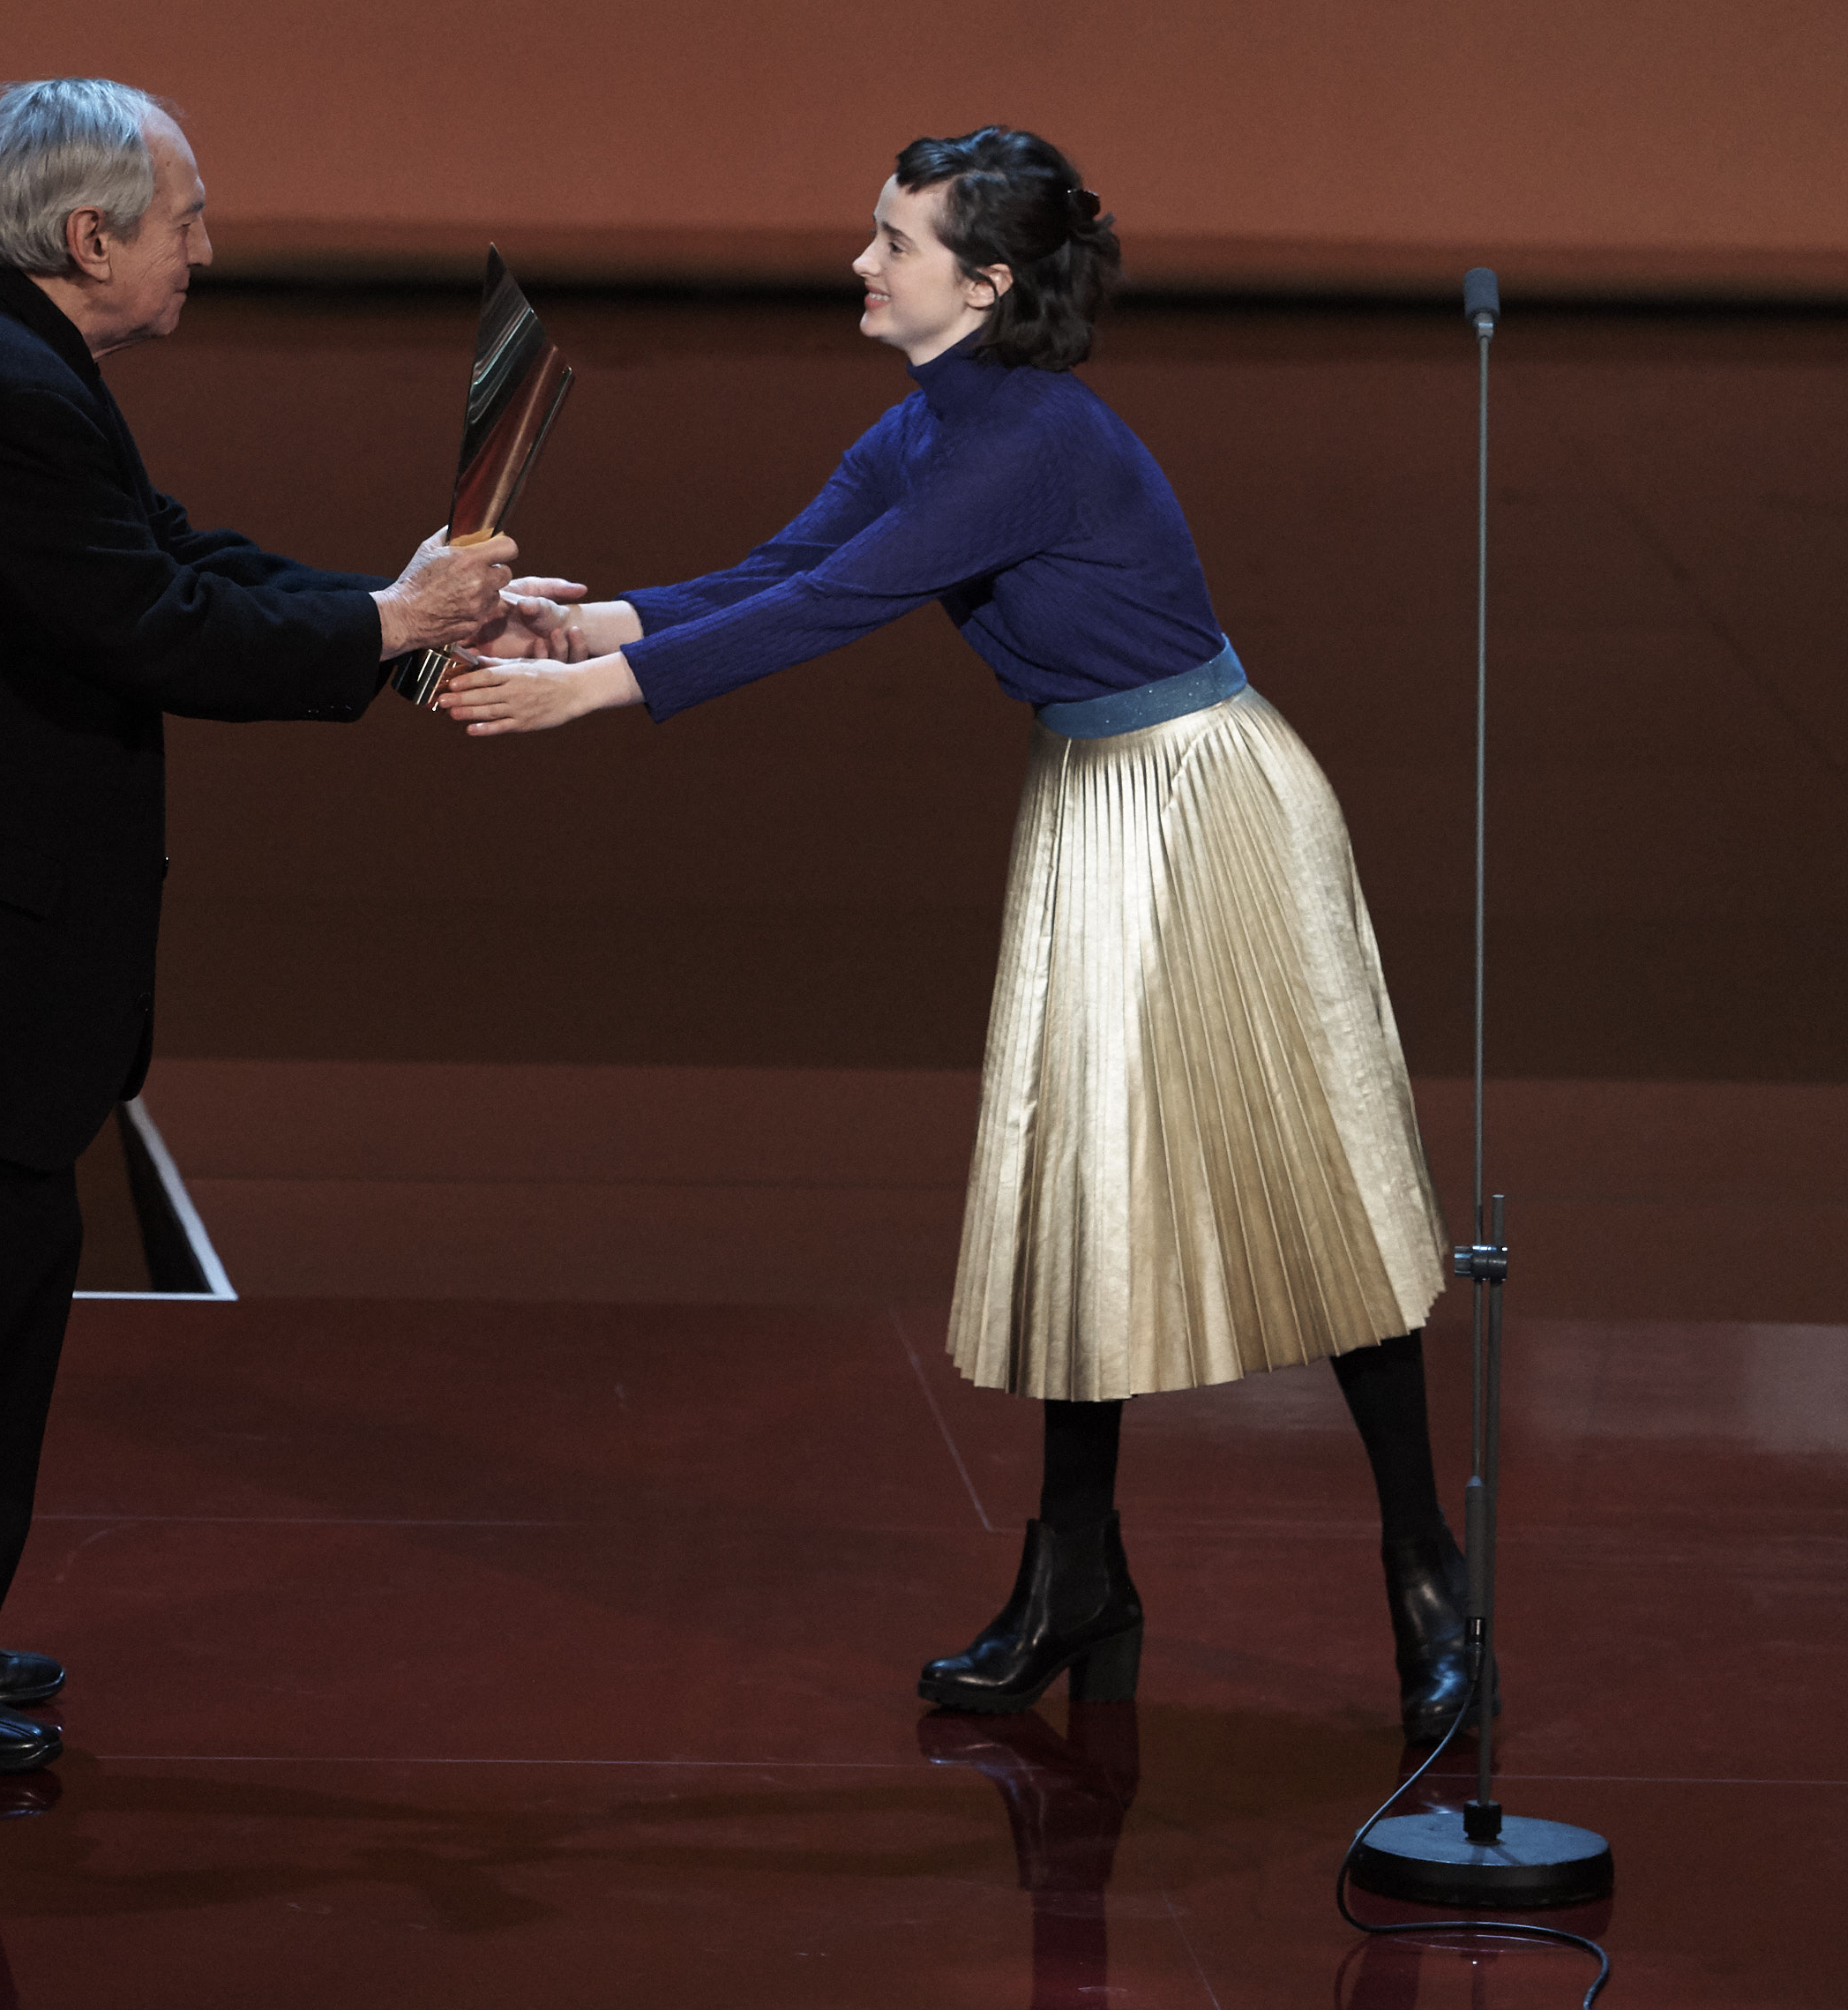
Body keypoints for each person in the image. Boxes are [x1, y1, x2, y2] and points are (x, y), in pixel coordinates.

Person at [437, 128, 1472, 1748]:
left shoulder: (1031, 443)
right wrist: (583, 626)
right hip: (1096, 804)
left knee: (1312, 1182)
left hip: (1208, 806)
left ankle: (1427, 1580)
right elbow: (786, 567)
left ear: (985, 285)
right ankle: (1077, 1577)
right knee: (1082, 1188)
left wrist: (587, 696)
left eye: (895, 244)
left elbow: (828, 611)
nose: (862, 264)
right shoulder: (934, 416)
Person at [0, 78, 519, 1775]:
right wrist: (385, 625)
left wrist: (392, 613)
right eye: (185, 221)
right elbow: (148, 623)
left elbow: (161, 554)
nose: (206, 249)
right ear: (88, 236)